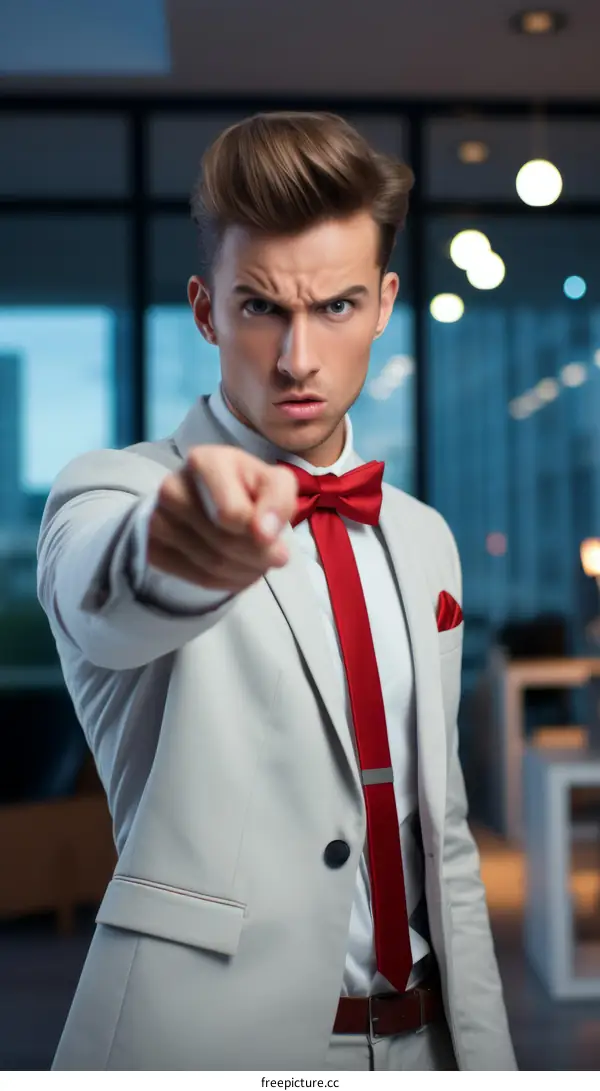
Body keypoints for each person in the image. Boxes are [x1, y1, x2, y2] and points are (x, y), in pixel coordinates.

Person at [37, 111, 516, 1072]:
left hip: (429, 1043)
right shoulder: (115, 492)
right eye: (261, 307)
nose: (298, 358)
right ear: (207, 310)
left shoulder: (424, 538)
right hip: (210, 1047)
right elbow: (110, 589)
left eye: (335, 307)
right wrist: (190, 540)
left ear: (384, 304)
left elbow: (446, 836)